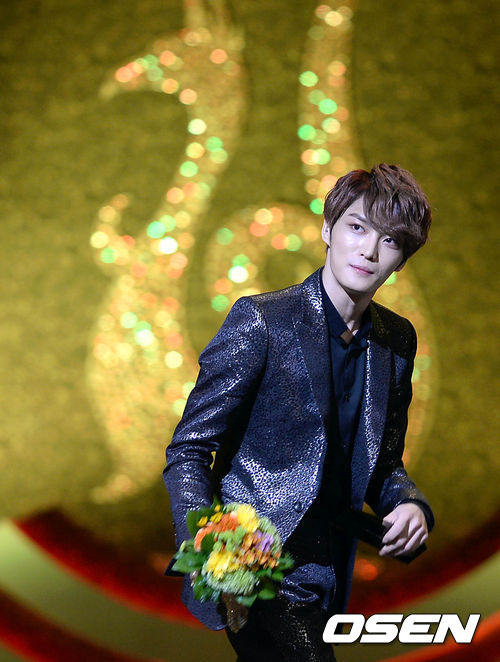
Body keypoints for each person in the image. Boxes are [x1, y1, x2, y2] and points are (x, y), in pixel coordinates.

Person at [163, 163, 435, 661]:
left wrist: (408, 503)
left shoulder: (396, 340)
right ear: (328, 230)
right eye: (357, 228)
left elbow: (383, 462)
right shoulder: (262, 321)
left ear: (401, 260)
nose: (369, 251)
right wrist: (209, 548)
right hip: (256, 564)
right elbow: (189, 450)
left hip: (329, 566)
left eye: (390, 240)